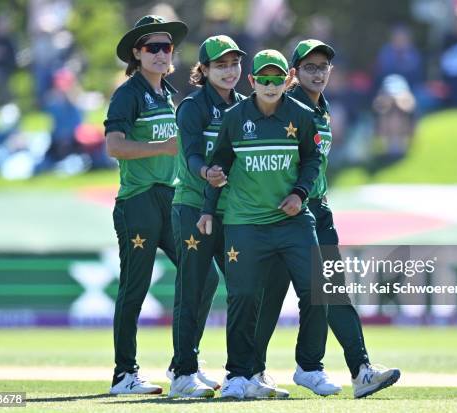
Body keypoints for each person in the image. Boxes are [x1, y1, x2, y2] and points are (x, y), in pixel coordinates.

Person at [252, 39, 401, 399]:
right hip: (288, 212)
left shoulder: (321, 106)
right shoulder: (288, 107)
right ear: (294, 73)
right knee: (276, 295)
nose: (318, 74)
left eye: (323, 67)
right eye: (309, 68)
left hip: (317, 209)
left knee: (325, 291)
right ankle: (250, 371)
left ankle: (353, 369)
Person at [197, 49, 339, 399]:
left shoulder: (302, 115)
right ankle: (238, 375)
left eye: (278, 79)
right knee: (243, 296)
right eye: (264, 78)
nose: (271, 85)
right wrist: (206, 210)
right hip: (246, 223)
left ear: (287, 80)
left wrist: (300, 194)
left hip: (292, 221)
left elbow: (312, 160)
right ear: (253, 81)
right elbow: (218, 167)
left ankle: (310, 368)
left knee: (317, 289)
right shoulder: (234, 118)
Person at [103, 15, 186, 395]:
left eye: (166, 47)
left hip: (169, 197)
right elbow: (114, 146)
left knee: (200, 275)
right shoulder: (129, 93)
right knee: (135, 287)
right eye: (152, 47)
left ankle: (184, 366)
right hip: (138, 200)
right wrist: (161, 148)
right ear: (137, 54)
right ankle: (125, 374)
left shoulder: (168, 93)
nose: (160, 54)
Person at [167, 35, 247, 398]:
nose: (230, 71)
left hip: (233, 212)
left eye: (234, 64)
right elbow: (193, 154)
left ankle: (245, 371)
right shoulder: (192, 106)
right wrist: (205, 174)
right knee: (193, 287)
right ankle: (183, 371)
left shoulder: (247, 106)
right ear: (204, 70)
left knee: (245, 288)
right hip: (193, 207)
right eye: (221, 65)